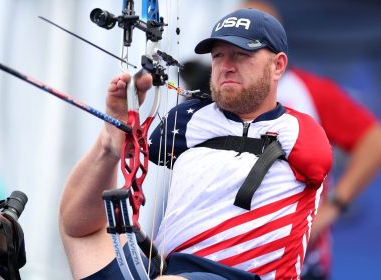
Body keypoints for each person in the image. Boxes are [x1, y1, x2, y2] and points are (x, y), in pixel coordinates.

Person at [59, 8, 333, 280]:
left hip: (241, 277)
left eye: (241, 54)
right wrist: (111, 139)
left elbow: (318, 164)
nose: (226, 65)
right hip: (168, 270)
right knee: (81, 236)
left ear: (278, 65)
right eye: (218, 56)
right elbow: (76, 226)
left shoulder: (298, 131)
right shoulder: (187, 121)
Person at [179, 1, 381, 279]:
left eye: (246, 51)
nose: (231, 62)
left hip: (296, 264)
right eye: (226, 51)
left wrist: (335, 205)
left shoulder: (307, 91)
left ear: (277, 55)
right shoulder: (211, 95)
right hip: (215, 260)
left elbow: (374, 140)